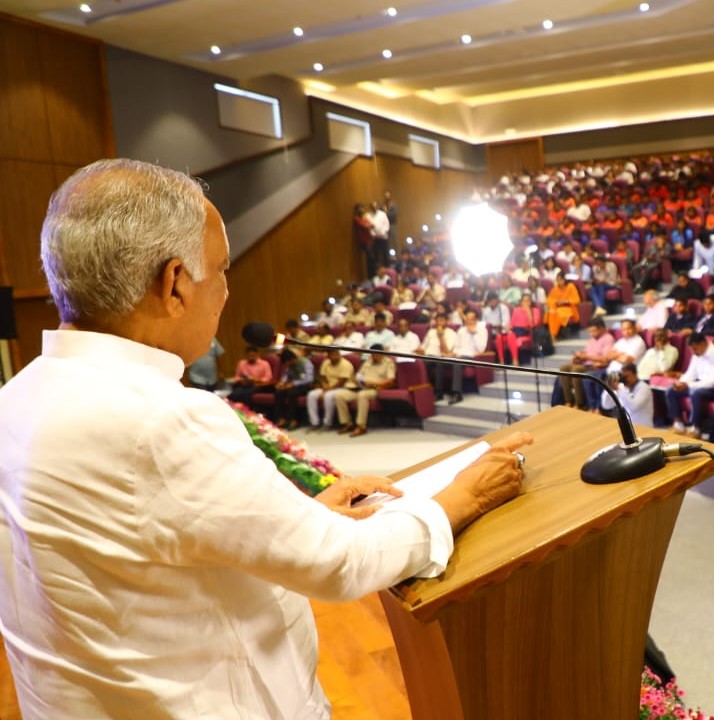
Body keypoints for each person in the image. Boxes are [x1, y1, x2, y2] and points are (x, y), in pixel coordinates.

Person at [0, 158, 529, 718]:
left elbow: (137, 548)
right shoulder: (160, 420)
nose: (227, 291)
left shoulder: (16, 400)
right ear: (175, 283)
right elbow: (341, 563)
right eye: (222, 268)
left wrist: (298, 517)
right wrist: (460, 498)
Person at [665, 333, 714, 436]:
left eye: (695, 349)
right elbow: (691, 372)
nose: (693, 352)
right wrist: (681, 382)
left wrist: (689, 385)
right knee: (671, 390)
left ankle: (695, 428)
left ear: (703, 343)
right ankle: (678, 424)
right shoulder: (697, 353)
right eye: (691, 350)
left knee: (695, 393)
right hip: (698, 384)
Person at [332, 347, 396, 437]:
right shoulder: (368, 362)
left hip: (376, 389)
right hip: (361, 387)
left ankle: (361, 426)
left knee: (362, 395)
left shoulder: (388, 362)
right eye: (372, 354)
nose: (374, 356)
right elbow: (358, 375)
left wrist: (373, 384)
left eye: (376, 354)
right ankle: (348, 423)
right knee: (339, 395)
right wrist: (357, 380)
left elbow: (390, 381)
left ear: (382, 354)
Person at [558, 318, 615, 411]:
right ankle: (568, 400)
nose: (591, 334)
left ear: (602, 328)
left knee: (575, 371)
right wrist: (579, 357)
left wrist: (586, 356)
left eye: (594, 331)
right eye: (590, 331)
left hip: (596, 366)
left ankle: (580, 403)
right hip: (586, 363)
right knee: (563, 368)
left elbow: (605, 358)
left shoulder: (608, 338)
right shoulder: (592, 339)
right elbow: (586, 352)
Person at [600, 362, 654, 428]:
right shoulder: (622, 388)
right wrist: (609, 389)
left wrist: (618, 389)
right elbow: (607, 405)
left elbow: (634, 407)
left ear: (635, 375)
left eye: (626, 376)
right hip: (629, 428)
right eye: (622, 376)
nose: (624, 379)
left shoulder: (644, 388)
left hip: (644, 428)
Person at [272, 348, 314, 430]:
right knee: (279, 392)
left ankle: (293, 420)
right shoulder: (289, 365)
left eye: (288, 362)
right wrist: (282, 382)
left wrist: (293, 384)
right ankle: (281, 419)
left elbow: (309, 379)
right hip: (293, 385)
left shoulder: (305, 362)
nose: (287, 365)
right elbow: (286, 375)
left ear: (293, 358)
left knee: (292, 393)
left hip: (306, 386)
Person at [546, 274, 581, 339]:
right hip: (557, 307)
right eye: (557, 280)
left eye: (561, 279)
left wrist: (566, 301)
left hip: (569, 308)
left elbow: (577, 299)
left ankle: (554, 335)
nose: (559, 281)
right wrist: (556, 302)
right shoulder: (555, 288)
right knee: (551, 312)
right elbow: (549, 300)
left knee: (558, 313)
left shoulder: (570, 286)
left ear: (564, 280)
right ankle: (553, 334)